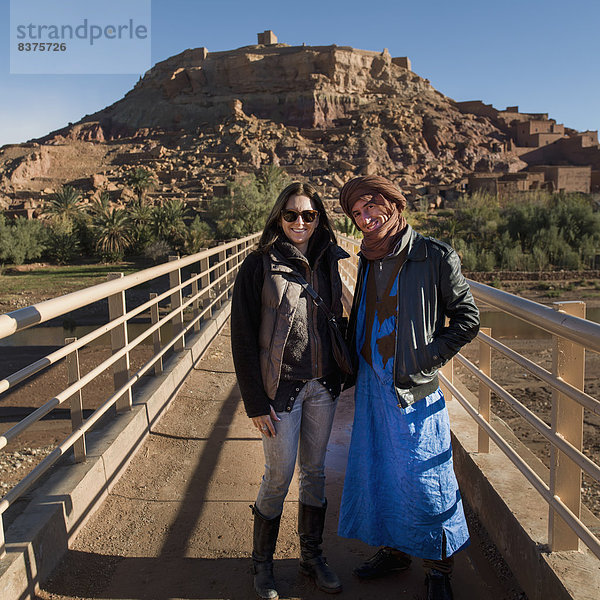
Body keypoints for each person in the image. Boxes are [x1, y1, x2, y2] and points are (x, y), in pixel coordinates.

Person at [336, 175, 480, 600]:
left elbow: (467, 319)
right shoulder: (368, 256)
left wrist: (424, 358)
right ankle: (395, 551)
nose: (365, 218)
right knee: (380, 468)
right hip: (370, 385)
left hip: (411, 387)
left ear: (393, 204)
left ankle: (438, 567)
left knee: (425, 474)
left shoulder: (434, 255)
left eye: (371, 207)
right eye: (357, 213)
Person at [231, 181, 348, 599]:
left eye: (309, 215)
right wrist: (255, 402)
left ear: (319, 218)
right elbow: (242, 338)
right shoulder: (258, 265)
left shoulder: (331, 260)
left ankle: (311, 557)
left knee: (315, 474)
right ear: (279, 218)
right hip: (280, 394)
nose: (300, 222)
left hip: (323, 386)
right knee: (278, 476)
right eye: (292, 214)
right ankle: (261, 566)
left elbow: (338, 318)